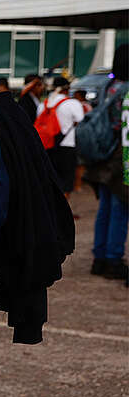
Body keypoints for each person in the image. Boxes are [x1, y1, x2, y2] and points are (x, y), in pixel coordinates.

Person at [84, 44, 129, 281]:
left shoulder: (106, 87)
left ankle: (99, 258)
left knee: (105, 208)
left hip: (100, 154)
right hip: (119, 156)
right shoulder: (127, 91)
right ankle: (113, 259)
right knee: (120, 208)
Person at [38, 76, 84, 200]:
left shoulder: (44, 105)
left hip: (47, 146)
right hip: (67, 145)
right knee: (66, 180)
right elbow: (82, 121)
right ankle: (64, 211)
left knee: (51, 180)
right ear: (67, 88)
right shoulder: (72, 103)